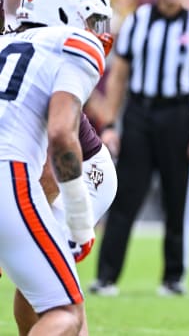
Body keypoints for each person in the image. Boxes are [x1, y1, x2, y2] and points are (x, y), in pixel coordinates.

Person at [91, 0, 189, 296]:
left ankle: (173, 278)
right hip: (140, 113)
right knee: (125, 196)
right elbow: (119, 77)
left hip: (178, 113)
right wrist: (111, 123)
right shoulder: (137, 20)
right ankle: (106, 277)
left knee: (177, 198)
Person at [0, 0, 112, 334]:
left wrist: (77, 217)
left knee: (47, 295)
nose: (96, 32)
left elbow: (57, 151)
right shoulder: (65, 46)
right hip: (18, 172)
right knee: (60, 303)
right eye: (91, 19)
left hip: (76, 174)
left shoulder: (37, 47)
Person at [14, 114, 118, 335]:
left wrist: (22, 228)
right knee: (30, 284)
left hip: (81, 176)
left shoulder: (35, 88)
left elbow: (51, 173)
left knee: (52, 289)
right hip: (37, 178)